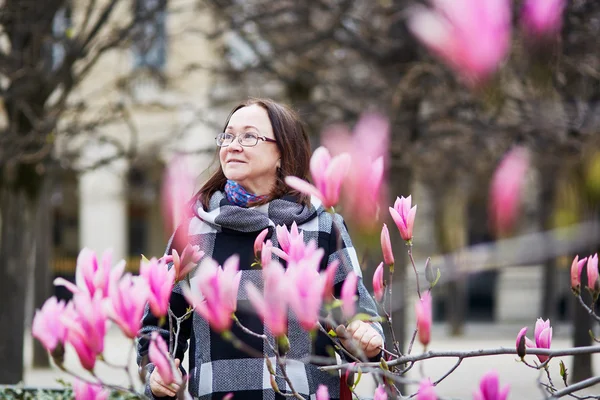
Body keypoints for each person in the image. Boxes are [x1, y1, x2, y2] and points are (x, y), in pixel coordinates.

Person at [137, 98, 384, 400]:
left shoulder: (321, 226)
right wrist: (157, 375)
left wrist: (367, 340)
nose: (233, 145)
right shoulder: (193, 228)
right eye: (228, 136)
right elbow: (158, 326)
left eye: (249, 136)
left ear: (282, 152)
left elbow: (359, 313)